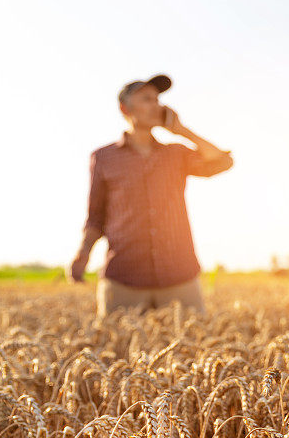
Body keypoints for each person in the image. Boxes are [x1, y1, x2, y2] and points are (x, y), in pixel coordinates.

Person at [67, 74, 233, 317]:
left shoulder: (176, 154)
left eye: (157, 99)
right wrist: (83, 255)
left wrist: (182, 131)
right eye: (146, 99)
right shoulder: (103, 158)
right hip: (124, 278)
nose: (156, 105)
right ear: (125, 108)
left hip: (180, 275)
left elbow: (224, 162)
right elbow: (96, 217)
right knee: (117, 349)